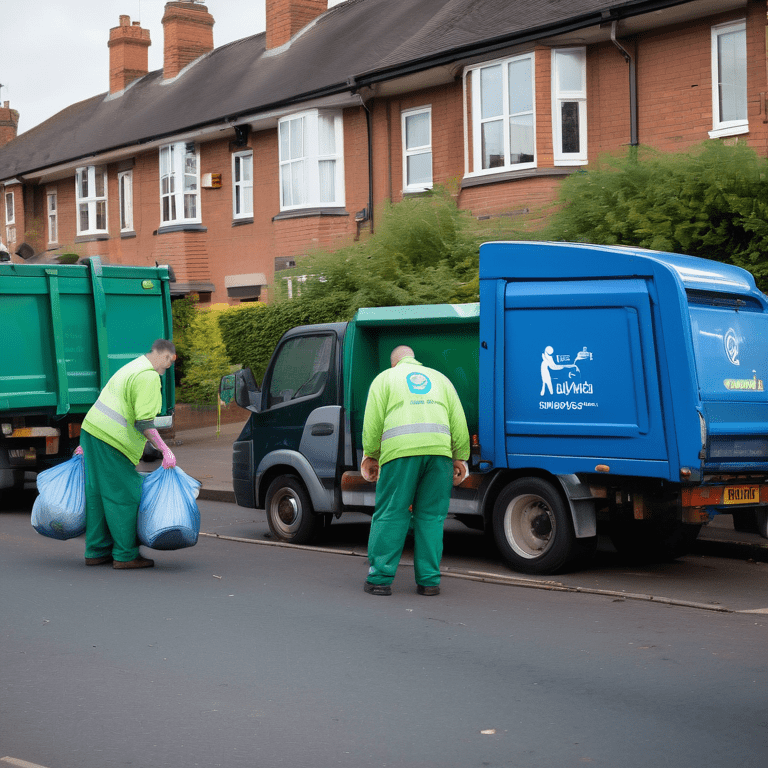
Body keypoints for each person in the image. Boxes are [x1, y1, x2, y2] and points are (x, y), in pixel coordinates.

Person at [361, 345, 470, 596]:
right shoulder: (441, 379)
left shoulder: (385, 379)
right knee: (431, 518)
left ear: (394, 363)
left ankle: (380, 579)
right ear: (415, 360)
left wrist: (371, 455)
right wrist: (461, 458)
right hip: (439, 455)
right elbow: (458, 421)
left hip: (400, 454)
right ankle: (429, 582)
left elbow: (373, 421)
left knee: (391, 513)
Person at [78, 339, 177, 569]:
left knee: (98, 495)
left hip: (92, 431)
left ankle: (96, 551)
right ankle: (125, 555)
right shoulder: (148, 376)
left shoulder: (132, 366)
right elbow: (144, 422)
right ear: (163, 356)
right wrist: (165, 449)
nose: (168, 368)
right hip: (111, 439)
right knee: (125, 494)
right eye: (169, 362)